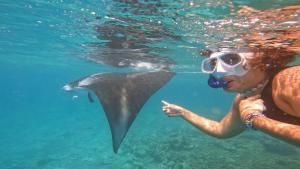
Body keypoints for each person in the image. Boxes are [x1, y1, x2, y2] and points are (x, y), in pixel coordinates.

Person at [161, 6, 300, 147]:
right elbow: (221, 130)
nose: (219, 72)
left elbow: (249, 119)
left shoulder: (289, 81)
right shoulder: (244, 99)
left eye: (231, 59)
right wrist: (182, 112)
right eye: (213, 63)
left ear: (262, 59)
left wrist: (256, 120)